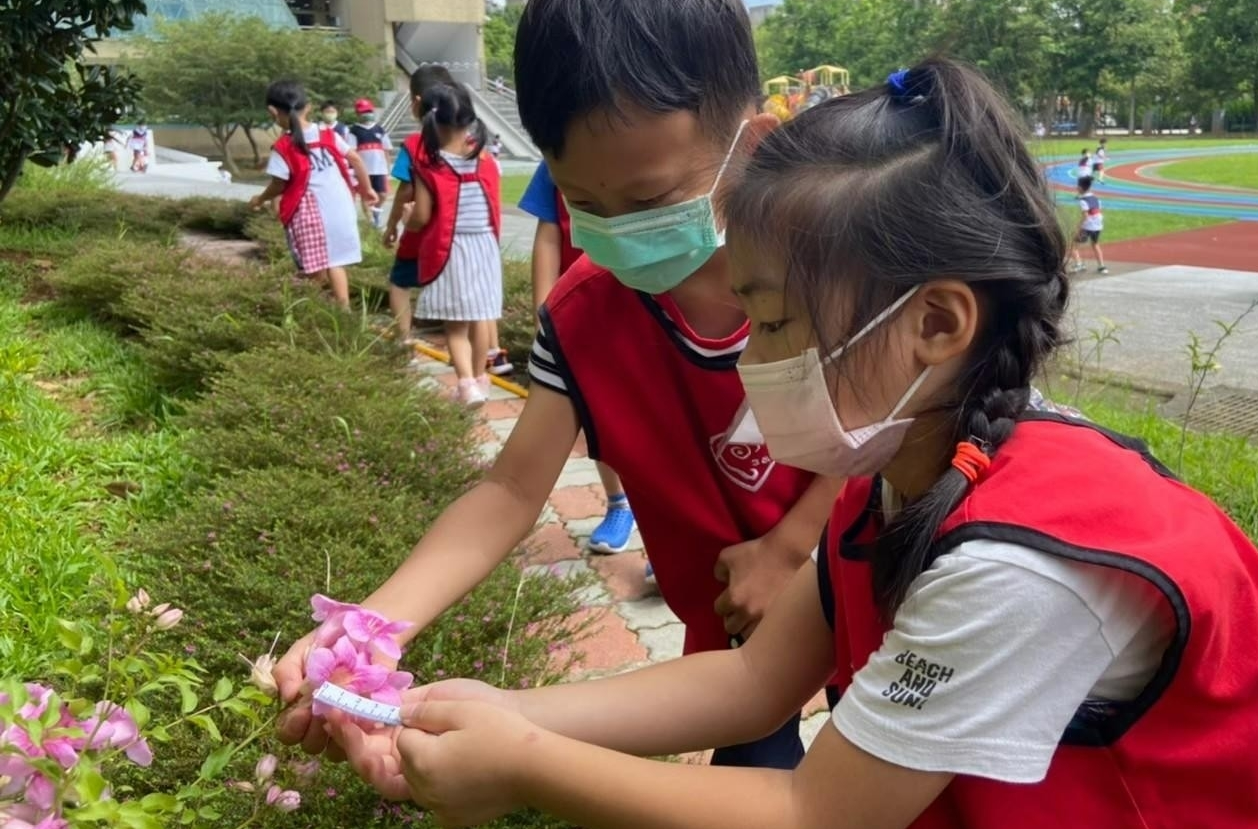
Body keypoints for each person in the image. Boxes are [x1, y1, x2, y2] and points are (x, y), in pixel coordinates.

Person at [327, 59, 1258, 829]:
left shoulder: (1021, 566)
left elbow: (814, 811)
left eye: (773, 321)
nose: (749, 360)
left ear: (936, 323)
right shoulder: (901, 474)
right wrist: (492, 713)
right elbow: (757, 681)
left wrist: (526, 766)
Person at [274, 0, 840, 772]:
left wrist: (796, 545)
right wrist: (371, 625)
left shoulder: (837, 275)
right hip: (730, 631)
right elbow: (510, 489)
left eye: (646, 202)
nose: (617, 233)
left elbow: (905, 431)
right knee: (753, 768)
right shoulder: (585, 318)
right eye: (586, 204)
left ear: (755, 141)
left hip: (866, 585)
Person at [518, 161, 638, 560]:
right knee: (600, 418)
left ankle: (671, 528)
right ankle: (619, 502)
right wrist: (545, 309)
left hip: (650, 308)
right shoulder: (555, 162)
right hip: (585, 316)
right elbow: (549, 236)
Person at [400, 82, 505, 406]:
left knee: (456, 326)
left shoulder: (428, 166)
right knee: (479, 318)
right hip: (485, 248)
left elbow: (422, 216)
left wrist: (406, 218)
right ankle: (480, 379)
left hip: (451, 250)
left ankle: (465, 383)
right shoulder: (487, 159)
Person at [248, 79, 379, 308]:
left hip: (310, 215)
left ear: (272, 111)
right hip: (340, 208)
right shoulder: (328, 134)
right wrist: (367, 189)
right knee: (335, 262)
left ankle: (309, 309)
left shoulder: (283, 146)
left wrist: (260, 198)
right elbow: (355, 159)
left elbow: (279, 184)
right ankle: (343, 310)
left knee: (313, 269)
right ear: (308, 107)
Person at [384, 66, 458, 345]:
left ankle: (404, 339)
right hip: (456, 230)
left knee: (400, 281)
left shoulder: (415, 145)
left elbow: (405, 190)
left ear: (416, 103)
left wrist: (392, 226)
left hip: (422, 230)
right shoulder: (469, 142)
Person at [349, 98, 393, 228]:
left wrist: (388, 166)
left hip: (379, 168)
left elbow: (386, 150)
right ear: (357, 114)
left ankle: (375, 211)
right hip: (364, 170)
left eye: (368, 111)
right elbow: (352, 151)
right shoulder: (354, 131)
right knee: (365, 195)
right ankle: (371, 222)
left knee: (383, 195)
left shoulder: (379, 129)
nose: (366, 114)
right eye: (363, 112)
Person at [1071, 175, 1107, 275]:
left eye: (1077, 186)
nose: (1076, 188)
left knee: (1073, 245)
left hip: (1088, 226)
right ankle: (1102, 266)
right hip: (1098, 225)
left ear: (1080, 188)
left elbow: (1085, 216)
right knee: (1095, 244)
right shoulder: (1096, 198)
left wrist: (1077, 227)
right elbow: (1098, 211)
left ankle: (1079, 264)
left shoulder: (1083, 201)